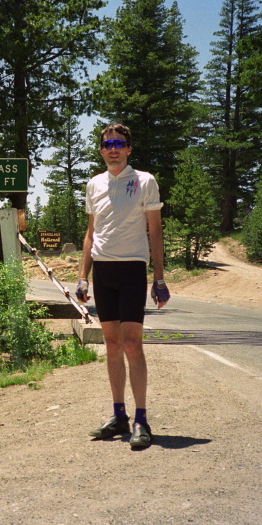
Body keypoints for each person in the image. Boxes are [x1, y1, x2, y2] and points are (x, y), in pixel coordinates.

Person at [76, 122, 170, 449]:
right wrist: (82, 277)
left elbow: (155, 231)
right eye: (107, 144)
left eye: (119, 143)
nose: (113, 148)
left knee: (132, 343)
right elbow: (90, 234)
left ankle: (142, 419)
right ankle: (119, 416)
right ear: (101, 151)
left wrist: (159, 278)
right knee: (112, 345)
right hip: (102, 271)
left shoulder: (145, 182)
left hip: (132, 268)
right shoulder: (93, 185)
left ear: (129, 149)